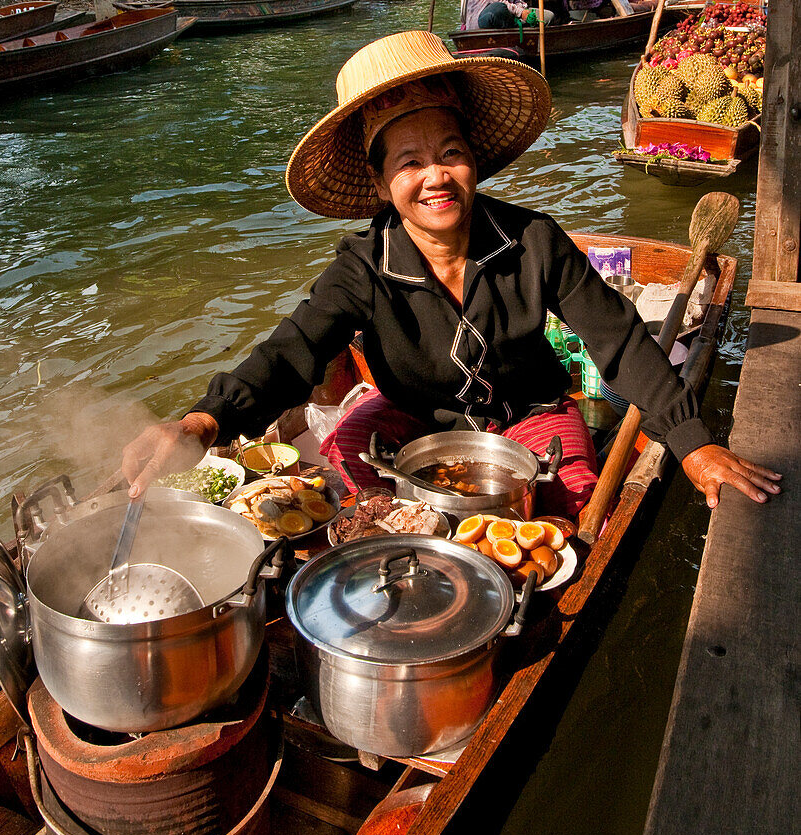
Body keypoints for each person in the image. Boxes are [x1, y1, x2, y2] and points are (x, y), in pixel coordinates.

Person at [121, 31, 780, 519]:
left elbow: (620, 341)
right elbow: (292, 350)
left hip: (528, 415)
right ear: (381, 182)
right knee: (348, 468)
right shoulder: (361, 266)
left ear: (474, 163)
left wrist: (692, 443)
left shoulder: (532, 240)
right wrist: (203, 422)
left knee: (572, 501)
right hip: (412, 417)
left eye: (450, 154)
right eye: (408, 163)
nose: (433, 176)